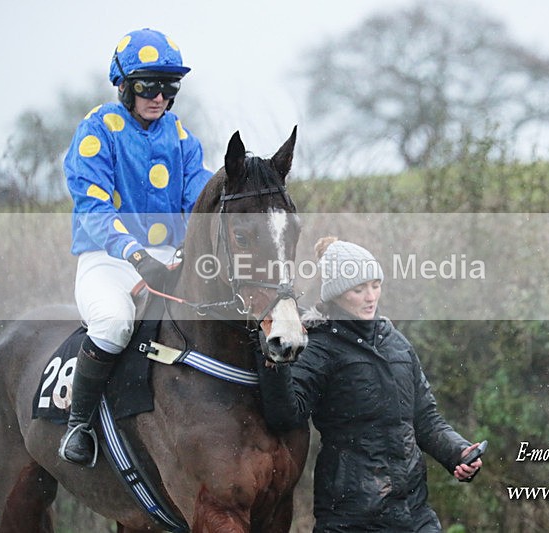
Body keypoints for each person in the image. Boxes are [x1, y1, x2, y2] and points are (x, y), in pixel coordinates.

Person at [59, 28, 213, 466]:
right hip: (108, 259)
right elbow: (93, 206)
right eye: (148, 85)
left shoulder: (182, 137)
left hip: (167, 260)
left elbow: (197, 201)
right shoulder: (97, 129)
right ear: (123, 85)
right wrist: (134, 253)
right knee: (112, 324)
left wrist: (189, 249)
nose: (159, 97)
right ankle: (79, 425)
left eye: (169, 88)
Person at [255, 236, 483, 532]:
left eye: (375, 285)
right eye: (358, 289)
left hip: (414, 513)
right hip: (351, 518)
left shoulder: (396, 343)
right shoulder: (320, 348)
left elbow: (425, 419)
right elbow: (285, 416)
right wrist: (274, 361)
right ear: (336, 294)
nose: (370, 296)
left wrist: (458, 453)